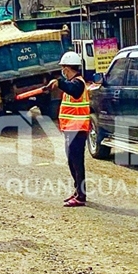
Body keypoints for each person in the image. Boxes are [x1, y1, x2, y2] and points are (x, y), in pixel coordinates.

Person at [48, 51, 90, 208]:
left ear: (67, 68)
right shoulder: (72, 83)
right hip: (71, 129)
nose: (62, 71)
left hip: (78, 130)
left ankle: (81, 195)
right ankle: (78, 191)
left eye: (63, 68)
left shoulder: (78, 83)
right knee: (72, 161)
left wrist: (59, 83)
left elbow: (74, 90)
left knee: (77, 162)